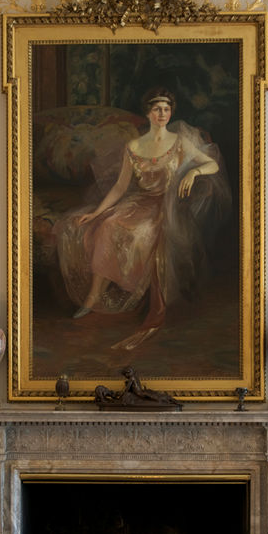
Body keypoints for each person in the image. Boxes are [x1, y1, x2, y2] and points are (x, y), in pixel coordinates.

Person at [55, 87, 230, 352]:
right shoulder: (133, 147)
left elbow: (212, 164)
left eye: (167, 109)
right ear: (148, 113)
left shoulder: (180, 141)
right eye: (157, 109)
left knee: (139, 234)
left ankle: (137, 292)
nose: (162, 113)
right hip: (140, 202)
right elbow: (119, 187)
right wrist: (97, 212)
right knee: (108, 225)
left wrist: (194, 174)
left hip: (168, 206)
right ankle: (92, 297)